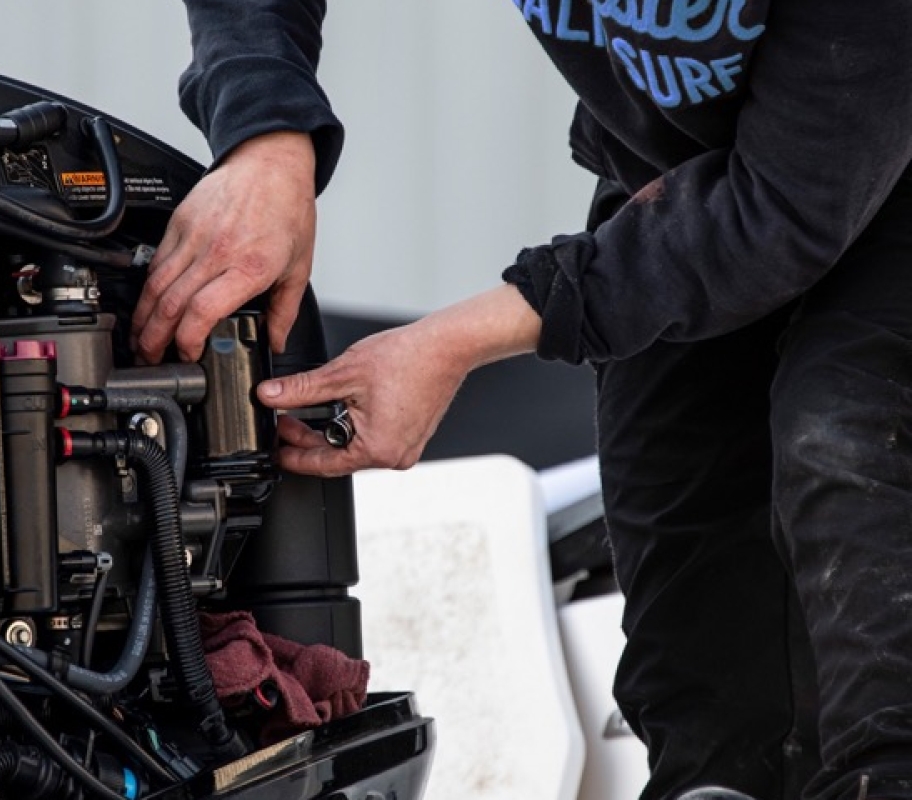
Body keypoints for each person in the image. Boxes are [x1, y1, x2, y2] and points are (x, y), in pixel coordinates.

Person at [137, 2, 912, 799]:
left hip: (874, 166)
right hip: (671, 177)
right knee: (691, 639)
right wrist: (264, 140)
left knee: (844, 456)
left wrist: (451, 343)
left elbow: (782, 208)